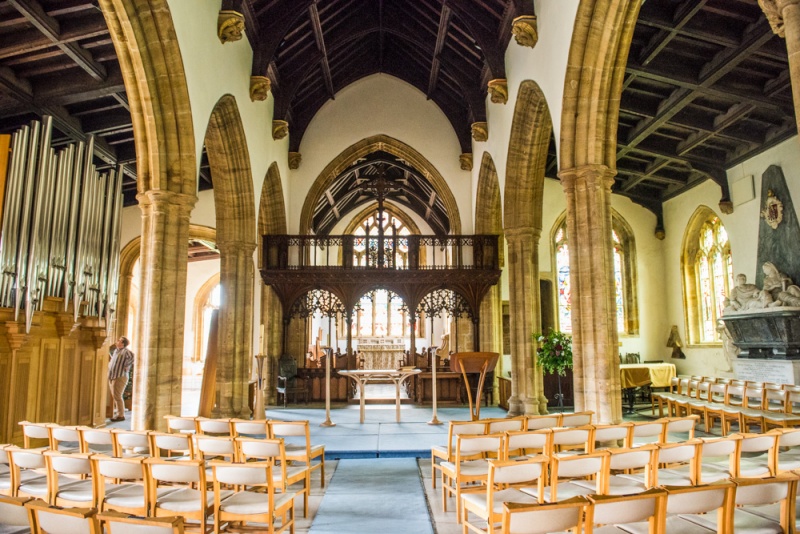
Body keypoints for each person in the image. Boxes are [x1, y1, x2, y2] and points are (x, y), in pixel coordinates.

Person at [108, 336, 134, 422]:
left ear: (123, 343)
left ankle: (121, 415)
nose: (117, 341)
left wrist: (127, 366)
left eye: (119, 341)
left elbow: (133, 358)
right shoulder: (116, 351)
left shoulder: (126, 352)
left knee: (118, 396)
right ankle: (119, 413)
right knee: (115, 396)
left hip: (120, 376)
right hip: (113, 375)